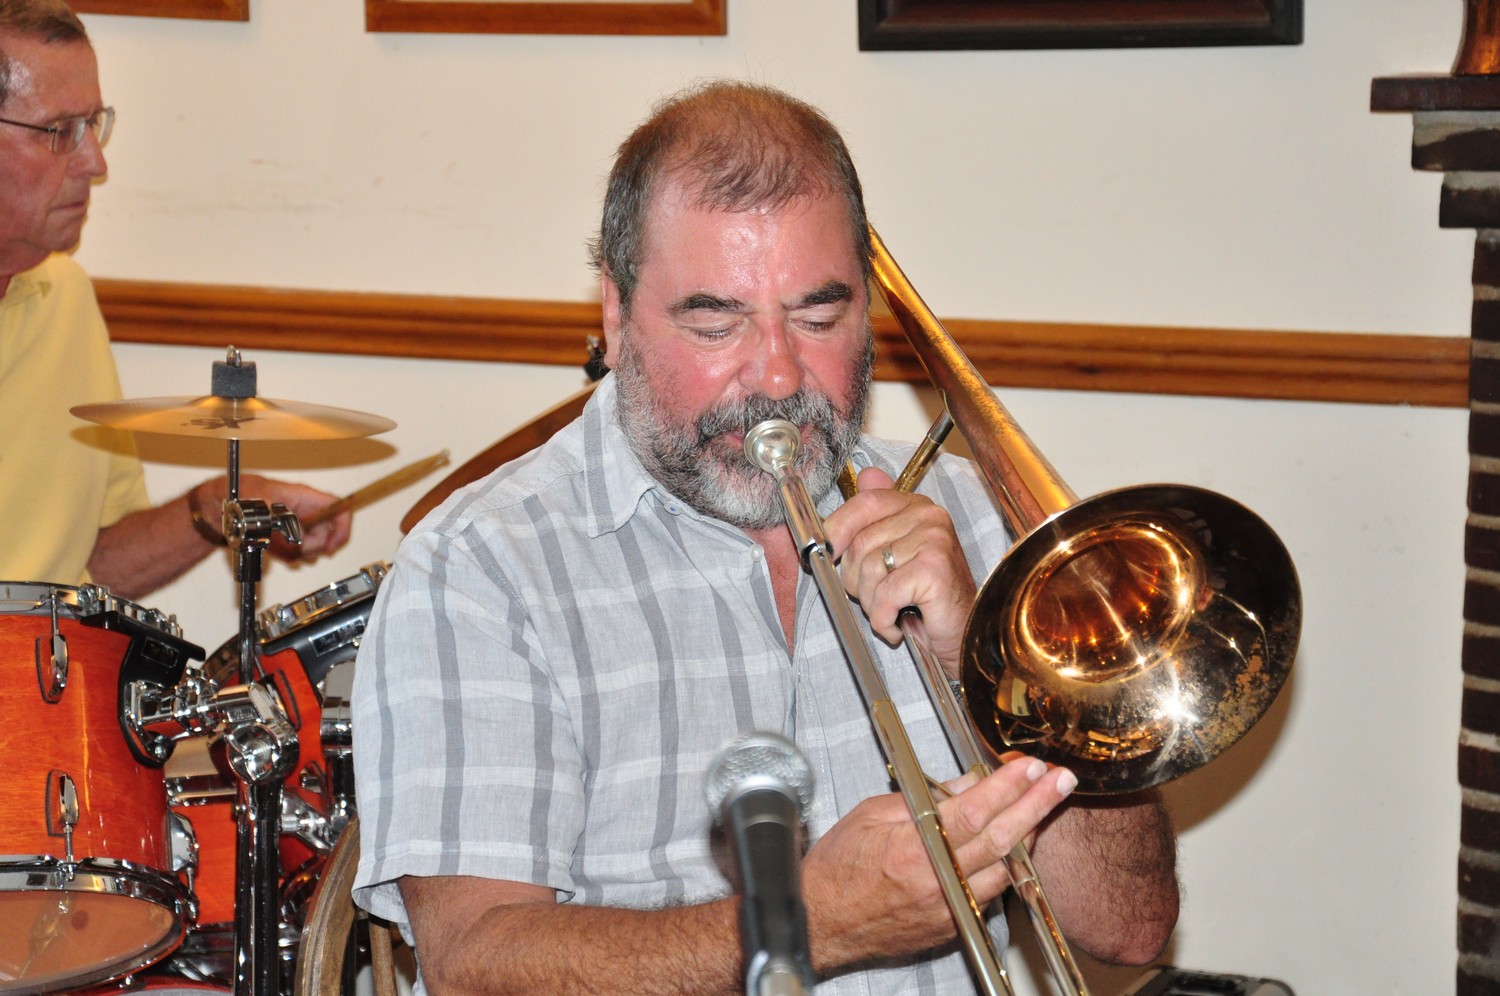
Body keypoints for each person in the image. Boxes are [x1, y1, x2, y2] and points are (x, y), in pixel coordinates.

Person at [352, 80, 1178, 993]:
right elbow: (475, 964)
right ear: (617, 317)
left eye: (820, 317)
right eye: (716, 320)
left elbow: (1129, 926)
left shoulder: (967, 508)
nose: (779, 374)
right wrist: (809, 926)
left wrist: (991, 665)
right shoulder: (482, 565)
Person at [0, 0, 350, 601]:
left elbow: (88, 569)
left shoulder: (66, 297)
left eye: (95, 125)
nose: (96, 163)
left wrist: (220, 507)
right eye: (61, 132)